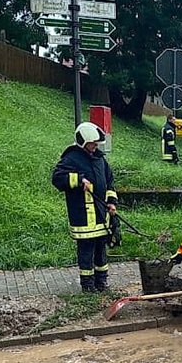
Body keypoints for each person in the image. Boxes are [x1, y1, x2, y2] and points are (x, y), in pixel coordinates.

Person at [52, 122, 118, 293]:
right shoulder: (71, 158)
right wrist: (79, 180)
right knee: (86, 251)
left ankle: (101, 282)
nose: (95, 146)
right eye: (92, 143)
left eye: (96, 144)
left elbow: (109, 182)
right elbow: (58, 178)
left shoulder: (100, 159)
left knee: (100, 250)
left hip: (101, 214)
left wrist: (111, 202)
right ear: (83, 141)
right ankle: (87, 285)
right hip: (83, 215)